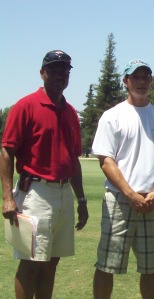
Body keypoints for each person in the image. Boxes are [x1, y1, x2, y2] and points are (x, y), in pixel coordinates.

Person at [0, 50, 89, 298]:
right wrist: (7, 197)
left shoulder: (70, 112)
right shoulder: (25, 106)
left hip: (62, 194)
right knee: (31, 262)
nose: (60, 75)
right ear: (42, 73)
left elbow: (73, 159)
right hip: (35, 193)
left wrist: (81, 199)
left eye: (65, 70)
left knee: (51, 261)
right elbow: (7, 151)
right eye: (54, 69)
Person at [91, 59, 154, 299]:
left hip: (153, 201)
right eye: (136, 77)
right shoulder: (113, 116)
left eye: (145, 77)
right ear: (126, 81)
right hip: (119, 200)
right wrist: (130, 194)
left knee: (151, 268)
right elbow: (106, 161)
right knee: (106, 265)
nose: (141, 82)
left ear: (151, 81)